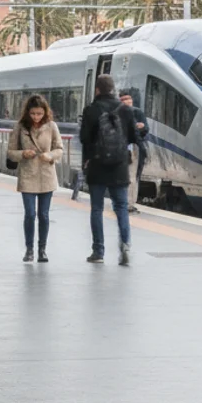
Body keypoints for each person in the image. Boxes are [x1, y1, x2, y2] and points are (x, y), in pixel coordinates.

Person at [80, 75, 139, 266]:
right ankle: (126, 246)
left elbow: (84, 139)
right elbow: (134, 137)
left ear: (97, 89)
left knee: (97, 208)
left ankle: (98, 251)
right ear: (113, 89)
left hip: (97, 165)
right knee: (121, 207)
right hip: (119, 166)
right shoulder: (125, 110)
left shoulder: (91, 110)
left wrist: (88, 159)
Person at [9, 94, 64, 263]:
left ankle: (42, 250)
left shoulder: (52, 126)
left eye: (39, 114)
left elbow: (59, 149)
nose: (36, 117)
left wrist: (50, 155)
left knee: (44, 215)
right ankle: (29, 249)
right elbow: (10, 152)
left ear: (45, 112)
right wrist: (22, 153)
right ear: (27, 112)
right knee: (30, 214)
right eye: (33, 113)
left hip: (46, 175)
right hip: (28, 174)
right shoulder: (20, 127)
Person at [119, 91, 149, 214]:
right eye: (124, 100)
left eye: (129, 99)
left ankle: (130, 203)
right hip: (120, 149)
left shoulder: (137, 112)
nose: (128, 102)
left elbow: (145, 129)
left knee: (132, 176)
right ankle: (124, 203)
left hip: (133, 149)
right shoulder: (116, 114)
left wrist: (136, 128)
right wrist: (136, 127)